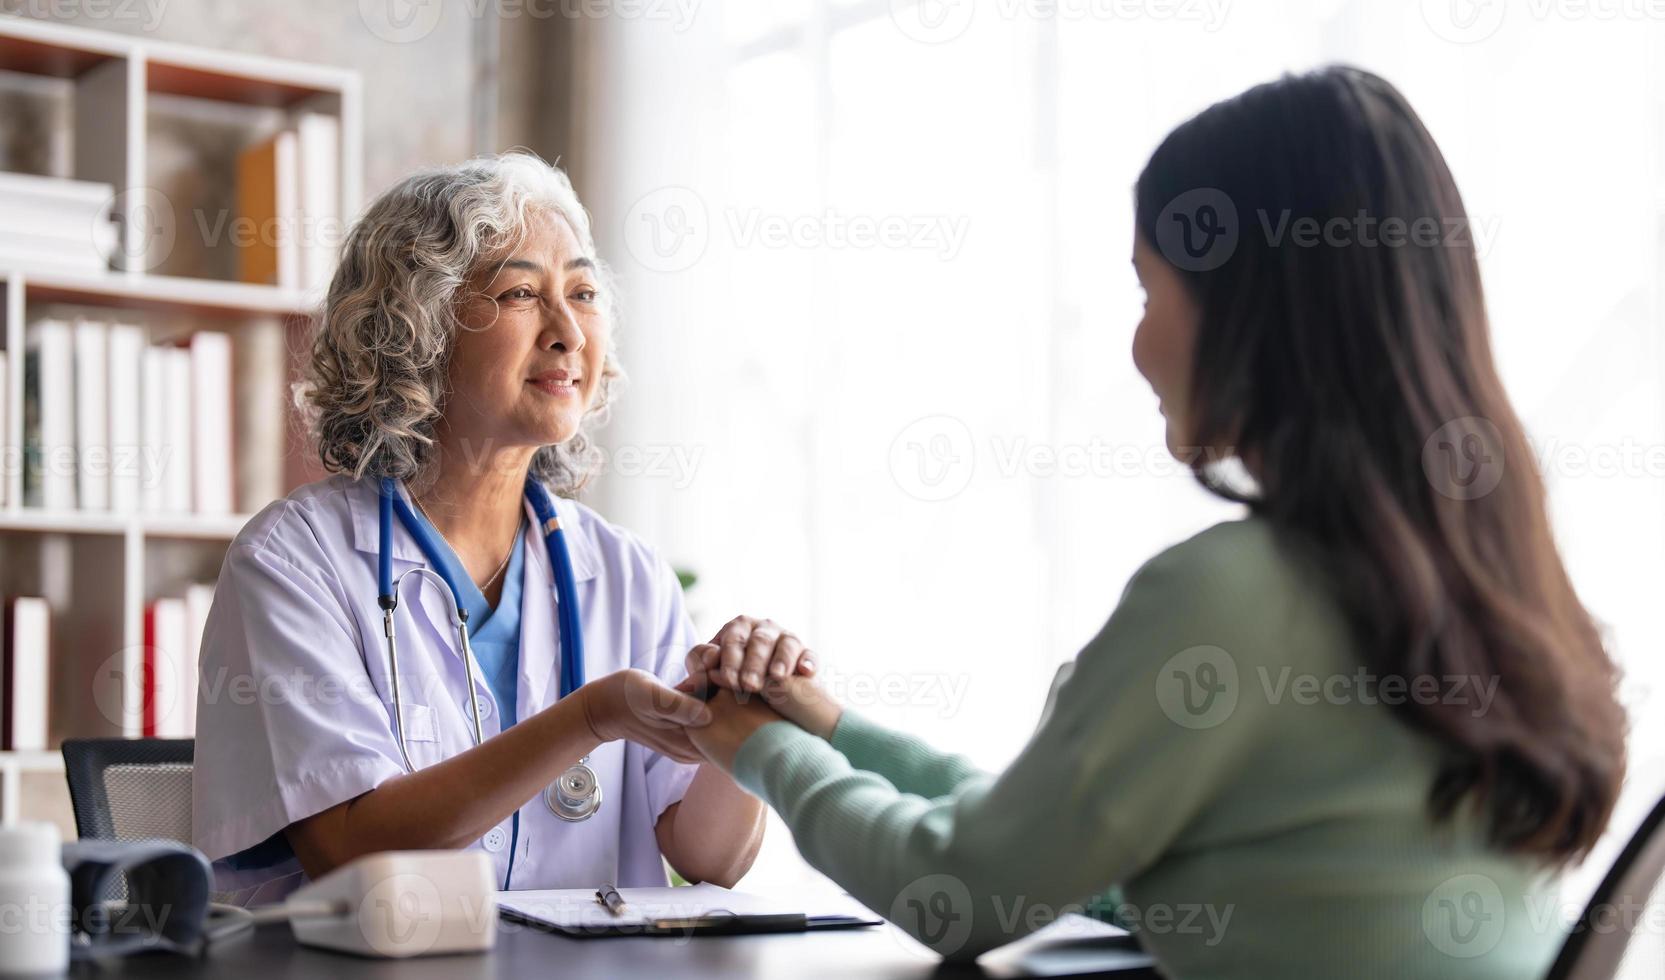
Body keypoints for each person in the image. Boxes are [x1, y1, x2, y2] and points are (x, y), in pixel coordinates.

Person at [680, 67, 1628, 978]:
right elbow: (1055, 850)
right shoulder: (1488, 577)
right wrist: (830, 728)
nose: (1135, 342)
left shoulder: (1229, 592)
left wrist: (755, 747)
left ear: (1250, 306)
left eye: (1146, 290)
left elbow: (957, 891)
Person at [190, 153, 810, 903]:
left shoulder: (623, 572)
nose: (568, 333)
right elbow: (353, 851)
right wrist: (587, 718)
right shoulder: (295, 561)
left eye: (582, 293)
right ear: (416, 329)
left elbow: (710, 856)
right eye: (522, 292)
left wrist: (745, 716)